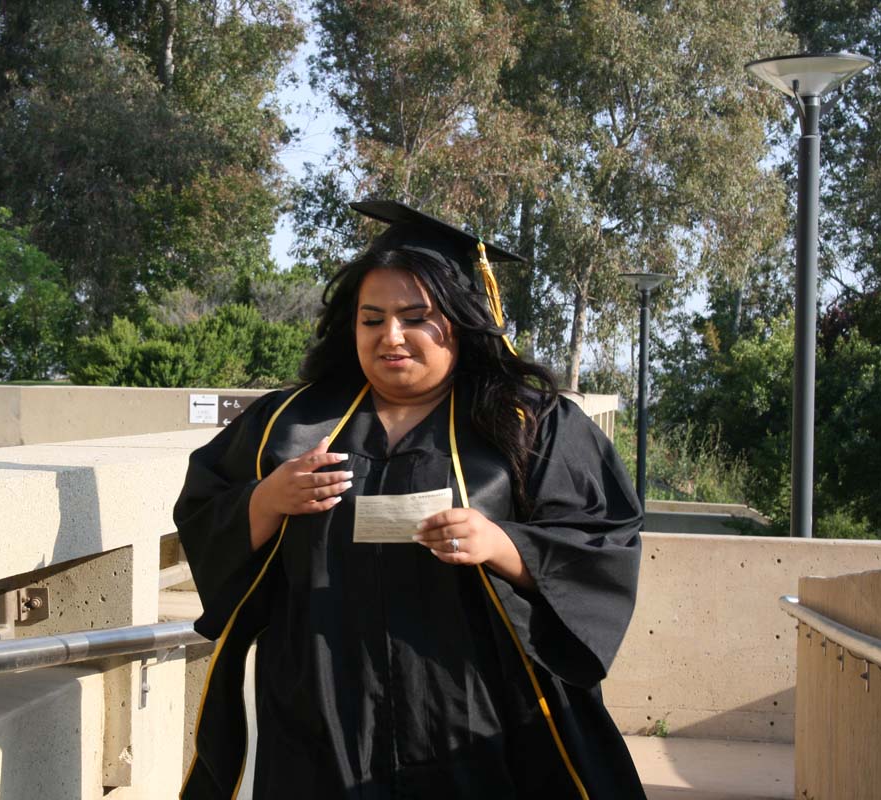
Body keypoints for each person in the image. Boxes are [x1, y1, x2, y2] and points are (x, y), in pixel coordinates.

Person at [175, 200, 645, 799]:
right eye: (371, 319)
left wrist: (503, 545)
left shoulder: (530, 423)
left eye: (415, 317)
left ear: (461, 319)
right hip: (321, 710)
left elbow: (603, 542)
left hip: (475, 712)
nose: (390, 336)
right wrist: (267, 499)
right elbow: (203, 507)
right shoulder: (289, 424)